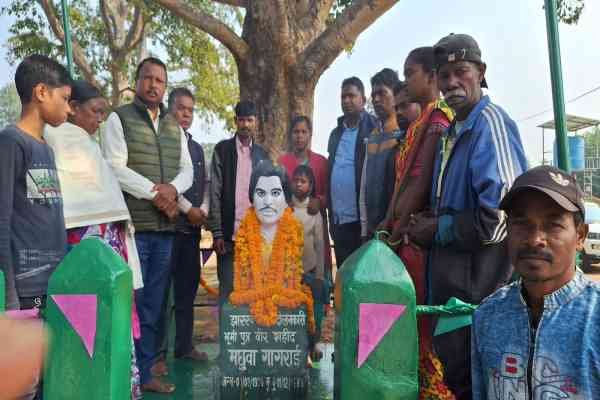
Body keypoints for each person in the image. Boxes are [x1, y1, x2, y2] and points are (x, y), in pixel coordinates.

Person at [405, 34, 528, 398]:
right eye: (444, 76)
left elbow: (503, 218)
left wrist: (438, 229)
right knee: (461, 384)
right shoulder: (457, 128)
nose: (452, 83)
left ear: (481, 72)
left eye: (461, 72)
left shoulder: (489, 123)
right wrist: (428, 221)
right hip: (456, 297)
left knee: (484, 386)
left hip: (482, 300)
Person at [43, 80, 144, 399]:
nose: (100, 119)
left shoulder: (89, 144)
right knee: (80, 334)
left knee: (109, 331)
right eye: (95, 111)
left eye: (104, 112)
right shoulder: (55, 139)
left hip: (107, 251)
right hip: (79, 250)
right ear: (72, 108)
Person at [102, 57, 193, 394]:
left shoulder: (173, 125)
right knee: (133, 301)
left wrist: (173, 190)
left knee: (155, 303)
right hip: (134, 229)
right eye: (147, 78)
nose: (154, 85)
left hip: (165, 231)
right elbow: (115, 168)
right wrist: (157, 194)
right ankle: (124, 375)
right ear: (136, 81)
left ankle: (146, 372)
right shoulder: (118, 118)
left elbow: (187, 171)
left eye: (159, 80)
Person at [472, 165, 600, 399]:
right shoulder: (488, 316)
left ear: (580, 235)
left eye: (553, 225)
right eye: (521, 223)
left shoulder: (595, 317)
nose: (535, 239)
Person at [0, 55, 72, 312]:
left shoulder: (47, 148)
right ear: (41, 92)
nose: (69, 109)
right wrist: (9, 295)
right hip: (26, 288)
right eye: (64, 99)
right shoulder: (11, 141)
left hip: (53, 282)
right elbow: (2, 221)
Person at [155, 87, 210, 371]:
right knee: (162, 295)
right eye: (180, 108)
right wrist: (190, 210)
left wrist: (203, 213)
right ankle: (158, 354)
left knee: (187, 293)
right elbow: (166, 183)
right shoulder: (163, 143)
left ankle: (185, 346)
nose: (185, 114)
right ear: (169, 109)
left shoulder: (198, 148)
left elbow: (205, 185)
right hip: (167, 229)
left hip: (192, 233)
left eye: (190, 110)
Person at [207, 100, 269, 305]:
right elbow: (214, 192)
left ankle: (251, 337)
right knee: (228, 293)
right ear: (235, 121)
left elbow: (267, 197)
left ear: (256, 123)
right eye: (241, 120)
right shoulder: (222, 151)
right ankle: (228, 337)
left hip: (255, 237)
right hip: (228, 238)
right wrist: (216, 232)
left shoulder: (262, 156)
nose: (245, 125)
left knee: (254, 293)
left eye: (250, 120)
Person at [278, 116, 331, 296]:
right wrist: (286, 202)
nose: (300, 136)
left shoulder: (321, 162)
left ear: (310, 134)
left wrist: (320, 201)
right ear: (290, 135)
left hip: (314, 225)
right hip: (289, 229)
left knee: (317, 282)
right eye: (296, 132)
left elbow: (329, 193)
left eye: (304, 132)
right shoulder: (282, 163)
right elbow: (278, 193)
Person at [328, 77, 377, 268]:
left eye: (351, 96)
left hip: (362, 222)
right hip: (339, 221)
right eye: (343, 97)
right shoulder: (335, 133)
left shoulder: (374, 128)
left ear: (363, 100)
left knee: (363, 278)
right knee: (344, 277)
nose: (346, 101)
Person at [359, 68, 402, 239]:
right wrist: (364, 229)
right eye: (373, 94)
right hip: (371, 229)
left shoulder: (403, 134)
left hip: (395, 230)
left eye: (382, 93)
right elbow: (364, 187)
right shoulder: (371, 137)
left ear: (395, 96)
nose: (376, 99)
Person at [291, 165, 326, 361]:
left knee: (315, 311)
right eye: (296, 180)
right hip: (291, 274)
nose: (298, 184)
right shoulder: (286, 210)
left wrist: (320, 275)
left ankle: (315, 345)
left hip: (312, 271)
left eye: (303, 181)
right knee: (295, 310)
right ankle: (297, 345)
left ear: (310, 186)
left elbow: (320, 245)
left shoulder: (315, 212)